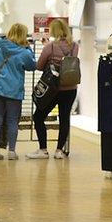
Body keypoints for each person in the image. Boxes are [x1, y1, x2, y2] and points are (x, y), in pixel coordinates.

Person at [0, 23, 36, 160]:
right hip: (14, 92)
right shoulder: (24, 52)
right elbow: (33, 66)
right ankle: (11, 151)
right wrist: (29, 49)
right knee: (12, 121)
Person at [27, 19, 79, 160]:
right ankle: (59, 150)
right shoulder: (75, 46)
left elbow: (39, 65)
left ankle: (43, 149)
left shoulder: (50, 46)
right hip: (70, 88)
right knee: (64, 119)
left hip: (53, 89)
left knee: (38, 116)